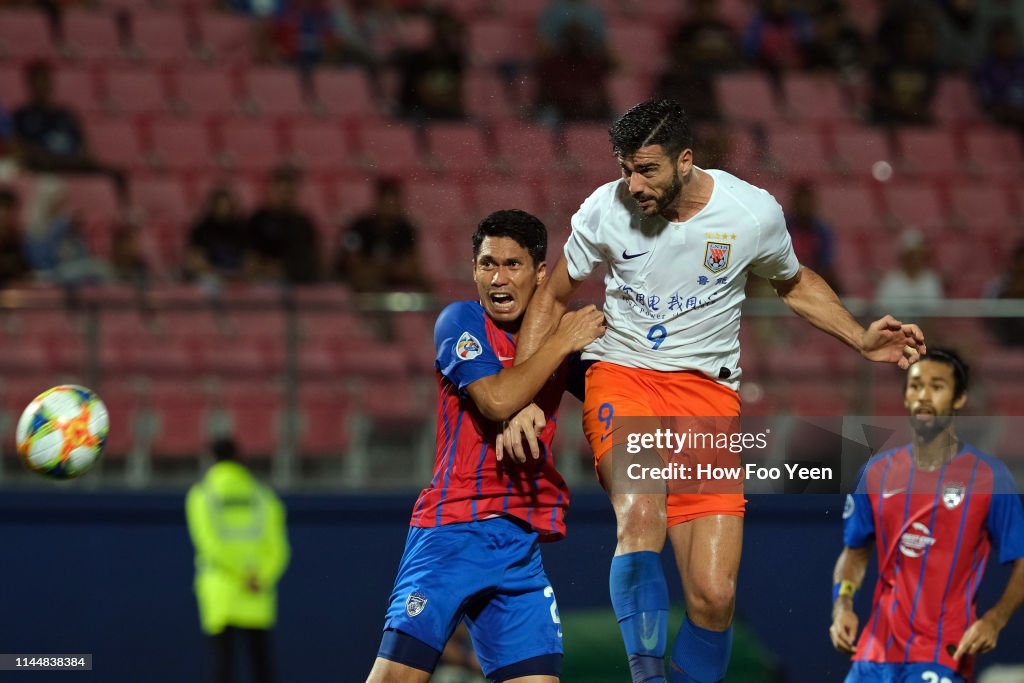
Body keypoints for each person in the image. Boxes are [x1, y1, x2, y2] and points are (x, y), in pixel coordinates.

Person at [509, 98, 925, 683]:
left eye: (647, 169)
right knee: (642, 514)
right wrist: (525, 395)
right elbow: (552, 297)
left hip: (707, 401)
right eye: (625, 168)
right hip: (622, 375)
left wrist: (859, 337)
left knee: (713, 596)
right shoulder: (604, 210)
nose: (633, 184)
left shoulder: (750, 214)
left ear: (685, 160)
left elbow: (794, 281)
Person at [366, 209, 606, 683]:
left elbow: (614, 389)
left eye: (512, 265)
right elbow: (496, 400)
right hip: (453, 530)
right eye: (486, 264)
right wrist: (560, 344)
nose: (497, 278)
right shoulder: (460, 321)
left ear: (540, 273)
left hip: (519, 542)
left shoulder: (558, 339)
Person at [830, 349, 1024, 683]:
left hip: (942, 652)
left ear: (959, 398)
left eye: (937, 386)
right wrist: (843, 605)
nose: (923, 396)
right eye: (916, 385)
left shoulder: (990, 478)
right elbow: (855, 553)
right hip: (875, 652)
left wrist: (995, 619)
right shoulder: (876, 472)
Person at [186, 437, 290, 683]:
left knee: (223, 666)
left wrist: (240, 574)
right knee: (262, 666)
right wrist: (259, 576)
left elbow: (209, 544)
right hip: (257, 590)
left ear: (211, 459)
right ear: (239, 458)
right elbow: (279, 548)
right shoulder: (263, 496)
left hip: (221, 592)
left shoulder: (202, 495)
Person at [12, 60, 126, 197]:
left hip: (72, 163)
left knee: (116, 174)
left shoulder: (66, 114)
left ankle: (125, 214)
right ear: (29, 84)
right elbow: (19, 149)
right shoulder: (20, 116)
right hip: (44, 167)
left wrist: (83, 160)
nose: (42, 85)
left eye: (45, 81)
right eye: (37, 81)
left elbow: (87, 149)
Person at [334, 177, 430, 292]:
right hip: (363, 278)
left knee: (426, 283)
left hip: (390, 276)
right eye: (387, 203)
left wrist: (389, 270)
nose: (391, 209)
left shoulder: (406, 229)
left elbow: (412, 264)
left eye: (395, 203)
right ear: (378, 202)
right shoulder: (357, 227)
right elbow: (352, 262)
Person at [246, 165, 320, 284]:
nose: (284, 197)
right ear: (271, 190)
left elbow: (311, 260)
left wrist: (285, 269)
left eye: (289, 192)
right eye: (281, 191)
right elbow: (250, 257)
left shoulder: (303, 223)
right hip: (263, 282)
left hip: (297, 283)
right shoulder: (257, 220)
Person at [875, 229, 945, 315]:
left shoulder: (931, 280)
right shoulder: (890, 281)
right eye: (911, 255)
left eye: (917, 255)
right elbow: (881, 312)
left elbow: (935, 315)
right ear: (903, 257)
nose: (914, 260)